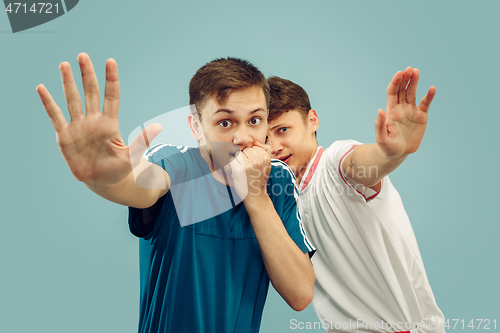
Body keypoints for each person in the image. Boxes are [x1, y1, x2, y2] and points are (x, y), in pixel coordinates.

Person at [36, 53, 315, 333]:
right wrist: (105, 178)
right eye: (225, 123)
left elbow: (300, 294)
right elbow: (141, 186)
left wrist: (256, 197)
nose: (242, 138)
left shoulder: (278, 180)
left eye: (255, 121)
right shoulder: (176, 164)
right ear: (196, 126)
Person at [266, 69, 445, 333]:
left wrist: (391, 154)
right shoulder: (281, 200)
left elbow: (363, 163)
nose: (274, 147)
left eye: (283, 130)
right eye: (265, 139)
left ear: (312, 120)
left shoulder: (335, 163)